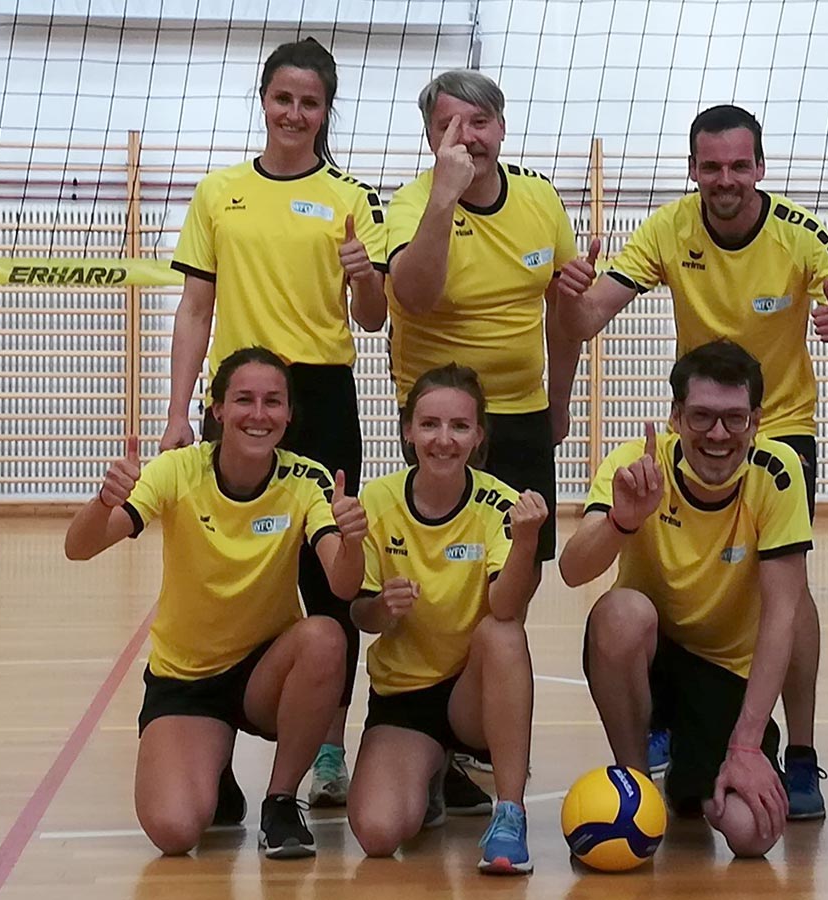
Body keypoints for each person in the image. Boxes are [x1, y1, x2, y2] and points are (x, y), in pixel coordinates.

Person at [557, 104, 828, 818]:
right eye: (711, 167)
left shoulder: (802, 237)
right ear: (694, 171)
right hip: (703, 419)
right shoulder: (668, 230)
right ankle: (660, 720)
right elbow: (585, 322)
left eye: (739, 165)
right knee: (655, 585)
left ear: (761, 169)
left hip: (776, 431)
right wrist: (569, 296)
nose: (726, 179)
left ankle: (798, 754)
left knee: (787, 595)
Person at [161, 38, 389, 808]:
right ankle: (211, 737)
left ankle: (328, 753)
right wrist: (175, 416)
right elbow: (195, 309)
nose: (295, 113)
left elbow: (374, 317)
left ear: (326, 112)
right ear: (264, 100)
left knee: (329, 583)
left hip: (321, 397)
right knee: (225, 582)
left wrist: (365, 279)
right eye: (284, 98)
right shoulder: (218, 193)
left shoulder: (352, 195)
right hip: (240, 397)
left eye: (311, 102)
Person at [65, 347, 367, 859]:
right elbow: (80, 547)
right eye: (244, 399)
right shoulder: (177, 471)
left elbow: (342, 587)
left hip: (264, 674)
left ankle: (279, 801)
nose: (258, 413)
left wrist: (354, 539)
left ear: (289, 414)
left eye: (273, 401)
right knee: (176, 831)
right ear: (218, 409)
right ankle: (213, 771)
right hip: (188, 681)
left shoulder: (307, 479)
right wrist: (103, 502)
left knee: (326, 637)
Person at [385, 69, 579, 809]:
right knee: (439, 583)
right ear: (431, 137)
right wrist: (442, 195)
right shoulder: (410, 202)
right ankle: (429, 737)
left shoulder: (540, 199)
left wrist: (558, 403)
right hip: (441, 425)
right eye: (450, 125)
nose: (468, 136)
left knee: (509, 591)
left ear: (502, 127)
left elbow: (563, 315)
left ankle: (471, 741)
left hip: (522, 417)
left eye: (481, 122)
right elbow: (416, 295)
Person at [560, 340, 812, 858]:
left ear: (756, 420)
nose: (718, 435)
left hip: (724, 671)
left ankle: (691, 771)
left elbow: (782, 617)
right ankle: (637, 790)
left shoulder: (779, 471)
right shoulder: (636, 463)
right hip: (651, 655)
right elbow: (572, 569)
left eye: (734, 419)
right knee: (620, 613)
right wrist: (621, 520)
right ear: (675, 416)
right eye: (701, 417)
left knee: (750, 833)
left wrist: (745, 745)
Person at [343, 364, 547, 875]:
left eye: (459, 426)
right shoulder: (378, 502)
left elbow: (506, 607)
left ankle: (509, 812)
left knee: (501, 634)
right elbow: (359, 614)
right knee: (378, 833)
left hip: (470, 694)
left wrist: (526, 543)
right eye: (429, 424)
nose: (443, 439)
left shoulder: (498, 502)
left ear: (478, 435)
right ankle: (432, 773)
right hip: (404, 697)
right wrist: (381, 609)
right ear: (408, 430)